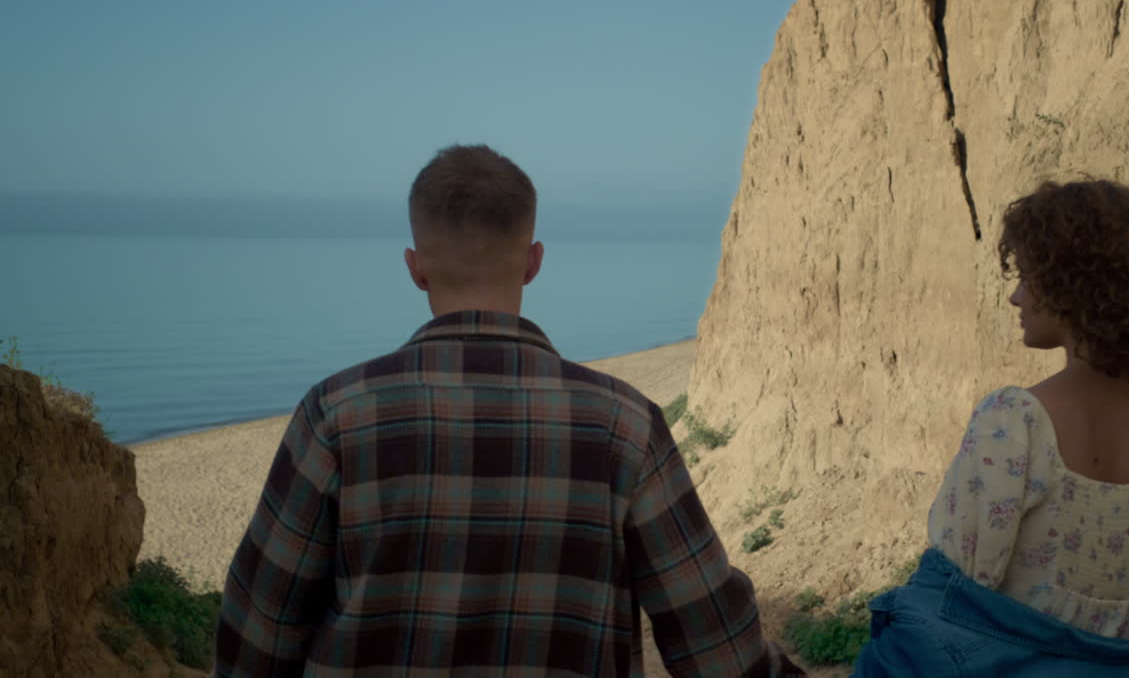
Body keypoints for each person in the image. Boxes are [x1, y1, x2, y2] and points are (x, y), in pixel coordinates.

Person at [213, 144, 803, 677]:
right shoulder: (625, 424)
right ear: (533, 261)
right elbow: (716, 645)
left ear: (415, 268)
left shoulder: (335, 415)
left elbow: (256, 633)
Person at [855, 180, 1129, 676]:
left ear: (1073, 284)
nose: (1016, 297)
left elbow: (952, 591)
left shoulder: (1014, 423)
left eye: (1028, 277)